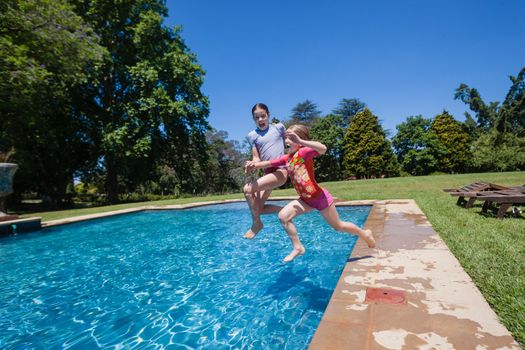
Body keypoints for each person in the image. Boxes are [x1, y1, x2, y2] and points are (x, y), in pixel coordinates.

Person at [245, 124, 376, 262]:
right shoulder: (287, 158)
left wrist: (300, 141)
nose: (287, 141)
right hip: (305, 200)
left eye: (291, 138)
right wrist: (254, 164)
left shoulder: (304, 152)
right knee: (283, 216)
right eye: (287, 138)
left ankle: (364, 234)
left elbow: (323, 148)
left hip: (320, 198)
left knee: (338, 226)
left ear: (299, 139)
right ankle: (298, 247)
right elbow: (270, 162)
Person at [243, 103, 288, 239]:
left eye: (263, 116)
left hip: (281, 172)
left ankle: (256, 224)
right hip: (268, 174)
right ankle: (286, 210)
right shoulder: (252, 135)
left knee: (247, 189)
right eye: (257, 117)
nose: (260, 120)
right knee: (258, 208)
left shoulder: (279, 127)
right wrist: (252, 163)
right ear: (253, 119)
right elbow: (256, 157)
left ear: (268, 115)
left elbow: (290, 145)